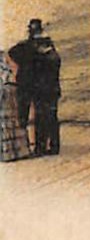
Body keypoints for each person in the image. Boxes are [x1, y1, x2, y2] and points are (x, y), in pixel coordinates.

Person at [10, 19, 60, 156]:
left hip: (41, 88)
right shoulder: (47, 47)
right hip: (48, 87)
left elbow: (12, 53)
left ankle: (42, 147)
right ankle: (51, 146)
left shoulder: (27, 47)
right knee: (49, 117)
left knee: (41, 117)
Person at [1, 49, 27, 161]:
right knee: (10, 121)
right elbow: (15, 69)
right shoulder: (5, 57)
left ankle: (8, 153)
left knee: (5, 122)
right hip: (10, 89)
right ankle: (14, 151)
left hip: (5, 90)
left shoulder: (4, 56)